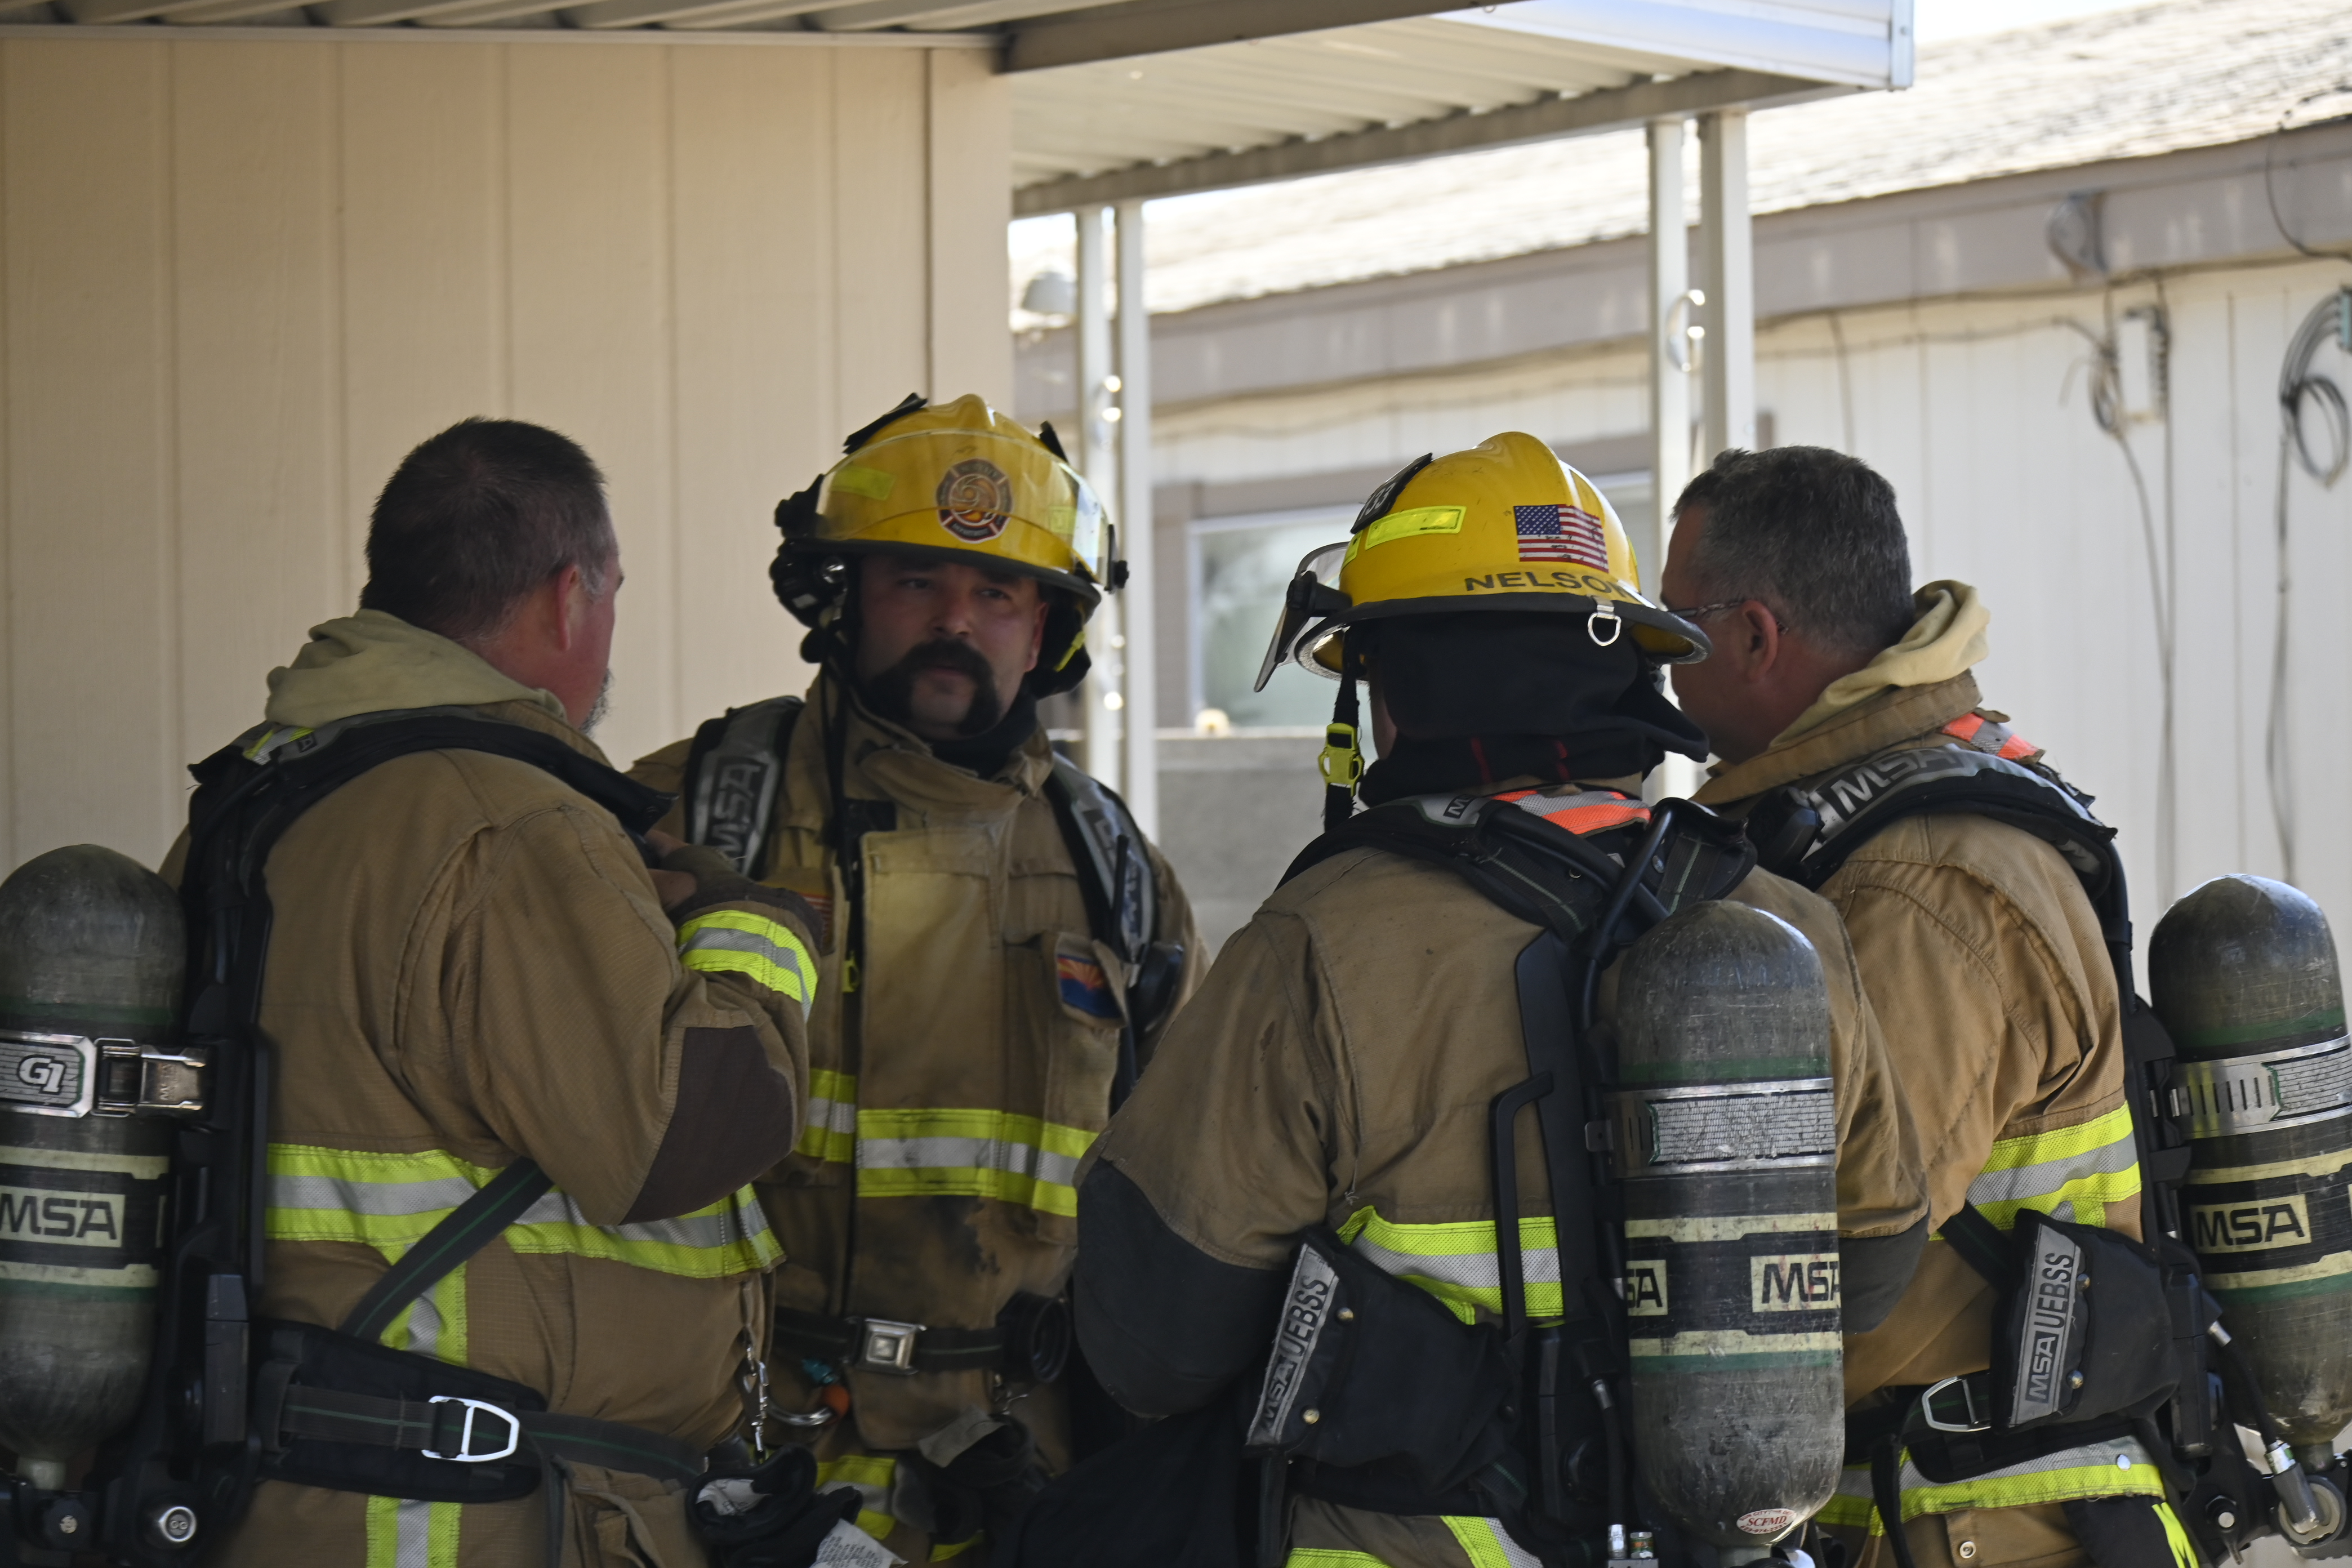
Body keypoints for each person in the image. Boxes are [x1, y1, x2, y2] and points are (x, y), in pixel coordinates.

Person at [1057, 431, 1928, 1568]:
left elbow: (1153, 1336)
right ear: (1625, 667)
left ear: (1397, 688)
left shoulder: (1320, 943)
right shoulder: (1786, 922)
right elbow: (1873, 1266)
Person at [194, 417, 822, 1567]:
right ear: (571, 596)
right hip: (456, 1524)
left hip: (276, 1500)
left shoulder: (256, 805)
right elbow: (671, 1136)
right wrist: (756, 930)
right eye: (613, 596)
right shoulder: (515, 825)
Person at [629, 393, 1201, 1561]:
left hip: (1015, 1474)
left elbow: (1178, 1197)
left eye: (997, 594)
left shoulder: (1116, 875)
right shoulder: (691, 815)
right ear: (843, 599)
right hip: (732, 1461)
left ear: (1046, 632)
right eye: (916, 582)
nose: (955, 620)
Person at [1660, 446, 2175, 1567]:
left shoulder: (1916, 888)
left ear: (1755, 636)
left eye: (1676, 628)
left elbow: (1845, 1251)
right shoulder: (1869, 824)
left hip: (1991, 1525)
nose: (1663, 665)